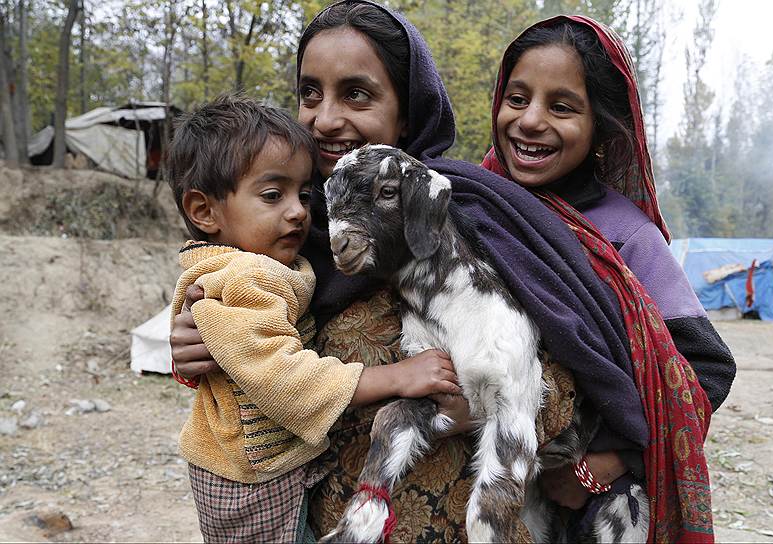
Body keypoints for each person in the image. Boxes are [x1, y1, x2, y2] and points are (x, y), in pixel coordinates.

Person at [172, 2, 731, 541]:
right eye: (310, 93)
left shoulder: (478, 215)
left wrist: (585, 452)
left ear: (409, 106)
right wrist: (200, 339)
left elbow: (602, 368)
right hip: (323, 518)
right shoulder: (293, 221)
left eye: (357, 94)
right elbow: (251, 327)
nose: (325, 119)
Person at [480, 16, 737, 540]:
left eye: (562, 107)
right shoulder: (470, 204)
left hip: (580, 511)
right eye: (517, 97)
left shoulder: (626, 237)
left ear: (601, 126)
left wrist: (610, 463)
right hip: (478, 489)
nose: (529, 121)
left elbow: (704, 369)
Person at [165, 95, 461, 543]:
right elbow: (286, 381)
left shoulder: (254, 255)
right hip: (255, 482)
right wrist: (398, 377)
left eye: (305, 195)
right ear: (204, 212)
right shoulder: (249, 272)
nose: (300, 212)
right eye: (273, 195)